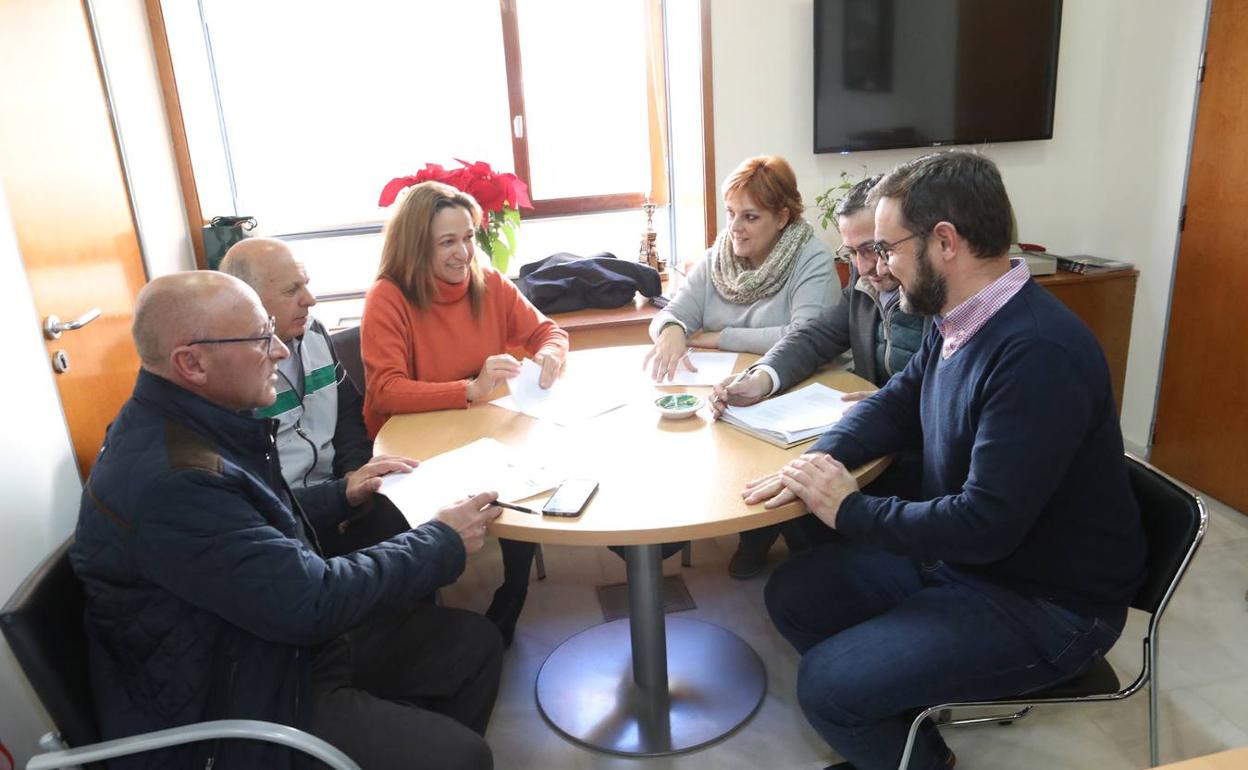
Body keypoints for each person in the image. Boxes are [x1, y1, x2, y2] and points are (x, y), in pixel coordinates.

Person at [750, 151, 1146, 770]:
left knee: (827, 688)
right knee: (795, 595)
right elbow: (894, 406)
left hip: (1047, 603)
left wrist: (850, 509)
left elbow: (985, 523)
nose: (878, 269)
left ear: (945, 242)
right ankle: (910, 741)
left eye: (886, 249)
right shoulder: (954, 317)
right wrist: (817, 462)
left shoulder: (1038, 354)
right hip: (975, 563)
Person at [70, 271, 505, 770]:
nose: (280, 350)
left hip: (260, 646)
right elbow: (311, 601)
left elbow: (251, 525)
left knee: (472, 646)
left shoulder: (193, 424)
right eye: (260, 338)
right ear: (191, 363)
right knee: (463, 756)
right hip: (240, 702)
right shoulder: (171, 482)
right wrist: (441, 540)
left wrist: (341, 492)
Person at [361, 180, 569, 647]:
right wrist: (470, 389)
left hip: (480, 434)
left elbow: (548, 332)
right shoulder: (389, 297)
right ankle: (426, 620)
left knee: (522, 476)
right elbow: (385, 391)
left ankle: (513, 593)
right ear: (417, 246)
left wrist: (552, 354)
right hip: (412, 445)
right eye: (447, 242)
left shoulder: (488, 282)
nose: (463, 253)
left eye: (469, 237)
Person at [709, 175, 932, 578]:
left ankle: (821, 566)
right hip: (868, 428)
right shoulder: (863, 286)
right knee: (781, 449)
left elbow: (942, 391)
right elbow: (812, 337)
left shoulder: (930, 297)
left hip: (913, 459)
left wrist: (892, 406)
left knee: (806, 473)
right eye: (853, 253)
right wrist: (760, 378)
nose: (866, 267)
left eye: (874, 249)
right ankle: (793, 552)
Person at [645, 154, 839, 573]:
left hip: (798, 386)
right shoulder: (720, 257)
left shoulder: (812, 260)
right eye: (731, 213)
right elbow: (671, 313)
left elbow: (805, 336)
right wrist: (673, 330)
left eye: (750, 217)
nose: (735, 228)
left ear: (783, 217)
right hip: (730, 390)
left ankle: (781, 532)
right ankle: (751, 528)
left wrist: (718, 338)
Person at [221, 237, 406, 555]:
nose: (311, 300)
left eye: (305, 285)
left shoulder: (316, 333)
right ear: (246, 301)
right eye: (291, 291)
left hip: (338, 492)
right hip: (286, 524)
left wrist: (353, 475)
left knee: (411, 517)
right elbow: (257, 500)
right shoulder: (230, 376)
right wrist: (341, 496)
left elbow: (348, 416)